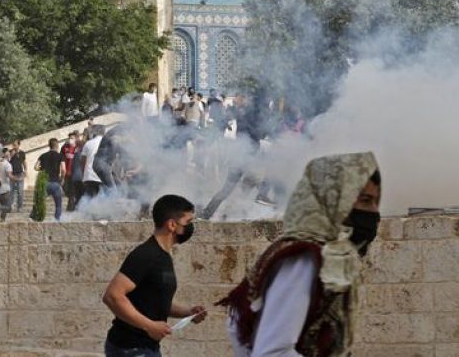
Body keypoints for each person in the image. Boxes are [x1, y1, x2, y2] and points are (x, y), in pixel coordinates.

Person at [218, 152, 382, 356]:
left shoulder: (321, 252)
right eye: (365, 200)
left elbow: (238, 324)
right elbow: (272, 352)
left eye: (376, 201)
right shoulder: (305, 258)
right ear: (332, 198)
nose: (374, 211)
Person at [102, 194, 206, 356]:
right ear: (172, 224)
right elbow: (112, 296)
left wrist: (188, 312)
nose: (191, 227)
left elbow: (154, 301)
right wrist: (149, 326)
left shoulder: (163, 256)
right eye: (188, 222)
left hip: (146, 347)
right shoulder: (146, 255)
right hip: (130, 348)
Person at [34, 138, 65, 221]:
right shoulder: (60, 156)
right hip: (55, 183)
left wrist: (42, 169)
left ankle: (37, 218)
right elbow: (63, 169)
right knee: (58, 205)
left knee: (40, 202)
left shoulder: (43, 155)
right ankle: (56, 221)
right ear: (57, 145)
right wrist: (62, 179)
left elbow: (35, 167)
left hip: (44, 183)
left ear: (49, 145)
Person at [80, 124, 104, 199]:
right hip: (102, 177)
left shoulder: (88, 143)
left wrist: (83, 174)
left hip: (89, 176)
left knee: (90, 200)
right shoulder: (106, 142)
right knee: (104, 201)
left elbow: (82, 161)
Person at [59, 131, 78, 210]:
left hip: (75, 172)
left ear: (76, 139)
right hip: (66, 172)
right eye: (70, 138)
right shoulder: (64, 147)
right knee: (66, 189)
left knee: (73, 191)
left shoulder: (78, 147)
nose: (71, 139)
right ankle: (72, 203)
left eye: (72, 138)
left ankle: (71, 206)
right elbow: (61, 159)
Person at [6, 140, 26, 213]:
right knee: (11, 191)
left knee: (20, 192)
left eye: (15, 144)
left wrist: (26, 170)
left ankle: (19, 207)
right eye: (13, 144)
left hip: (20, 174)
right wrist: (11, 155)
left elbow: (24, 162)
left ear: (19, 145)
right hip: (11, 174)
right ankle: (10, 207)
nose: (14, 146)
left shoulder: (22, 153)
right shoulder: (10, 152)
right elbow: (7, 161)